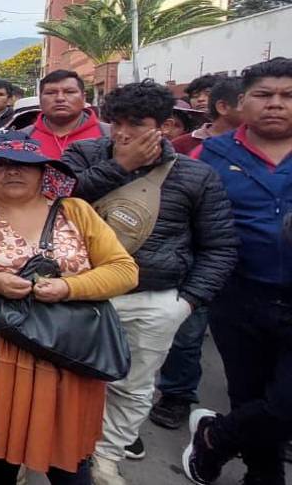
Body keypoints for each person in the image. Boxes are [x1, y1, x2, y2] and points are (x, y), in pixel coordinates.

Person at [0, 139, 139, 484]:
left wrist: (69, 288)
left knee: (65, 450)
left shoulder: (76, 211)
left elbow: (124, 270)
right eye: (1, 165)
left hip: (63, 348)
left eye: (25, 164)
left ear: (45, 173)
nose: (12, 171)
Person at [60, 81, 238, 484]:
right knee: (64, 381)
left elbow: (220, 246)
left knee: (132, 387)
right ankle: (48, 453)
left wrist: (186, 303)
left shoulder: (196, 176)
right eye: (116, 123)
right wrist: (117, 167)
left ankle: (105, 459)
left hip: (153, 300)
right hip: (78, 292)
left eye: (136, 124)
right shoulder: (83, 156)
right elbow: (57, 204)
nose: (122, 133)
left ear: (163, 125)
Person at [185, 57, 292, 485]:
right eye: (264, 95)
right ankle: (261, 476)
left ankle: (216, 437)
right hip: (238, 296)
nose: (276, 104)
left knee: (284, 403)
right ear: (241, 102)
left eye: (288, 96)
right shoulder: (208, 156)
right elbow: (187, 220)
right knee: (248, 392)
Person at [153, 79, 245, 431]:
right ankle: (178, 395)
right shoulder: (191, 150)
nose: (275, 106)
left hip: (256, 266)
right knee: (188, 334)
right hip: (191, 258)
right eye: (261, 96)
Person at [26, 70, 108, 159]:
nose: (60, 98)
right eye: (51, 93)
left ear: (84, 98)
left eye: (69, 92)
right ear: (40, 100)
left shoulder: (111, 134)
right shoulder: (22, 138)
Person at [170, 77, 241, 159]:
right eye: (195, 96)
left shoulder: (252, 140)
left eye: (207, 94)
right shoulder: (181, 144)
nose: (200, 99)